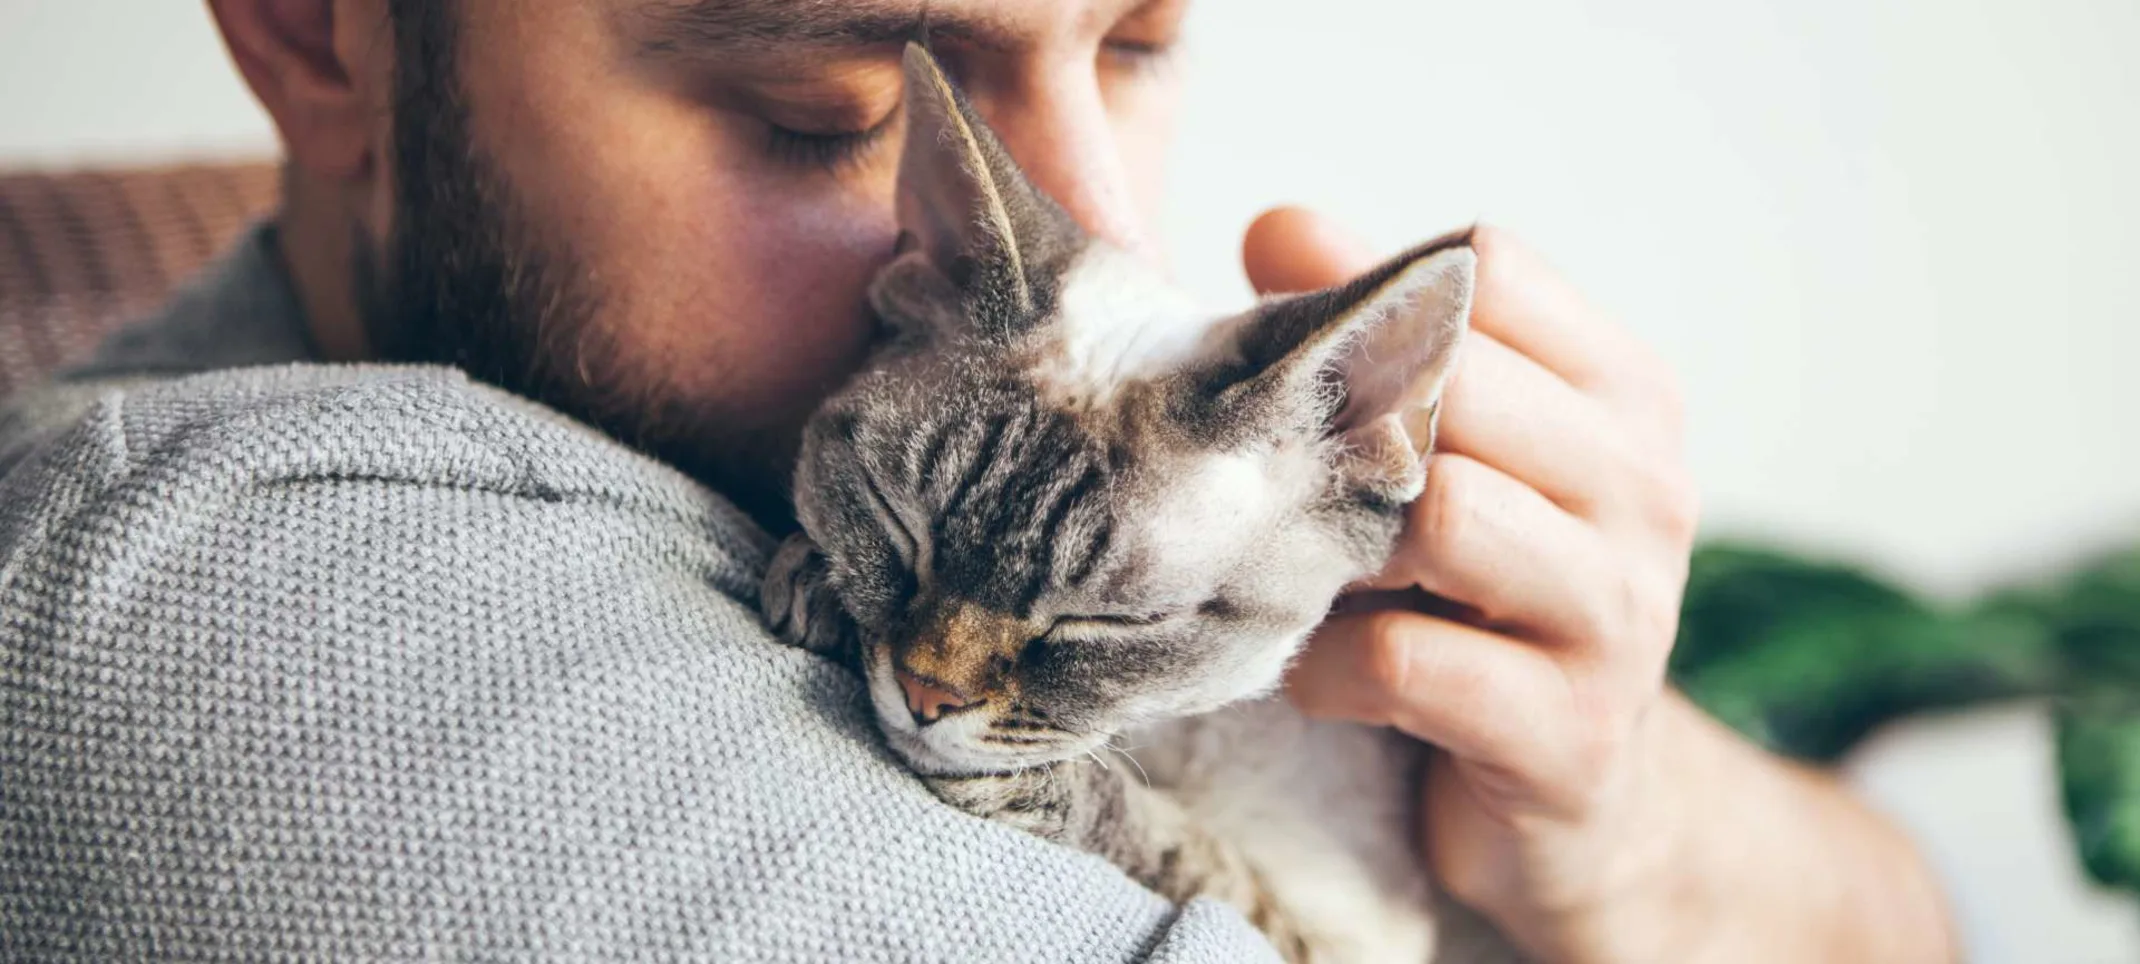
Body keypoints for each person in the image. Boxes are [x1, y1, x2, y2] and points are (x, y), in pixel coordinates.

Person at [0, 1, 1956, 960]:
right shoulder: (238, 615)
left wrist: (1628, 821)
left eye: (1135, 37)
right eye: (829, 111)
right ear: (314, 30)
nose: (1100, 234)